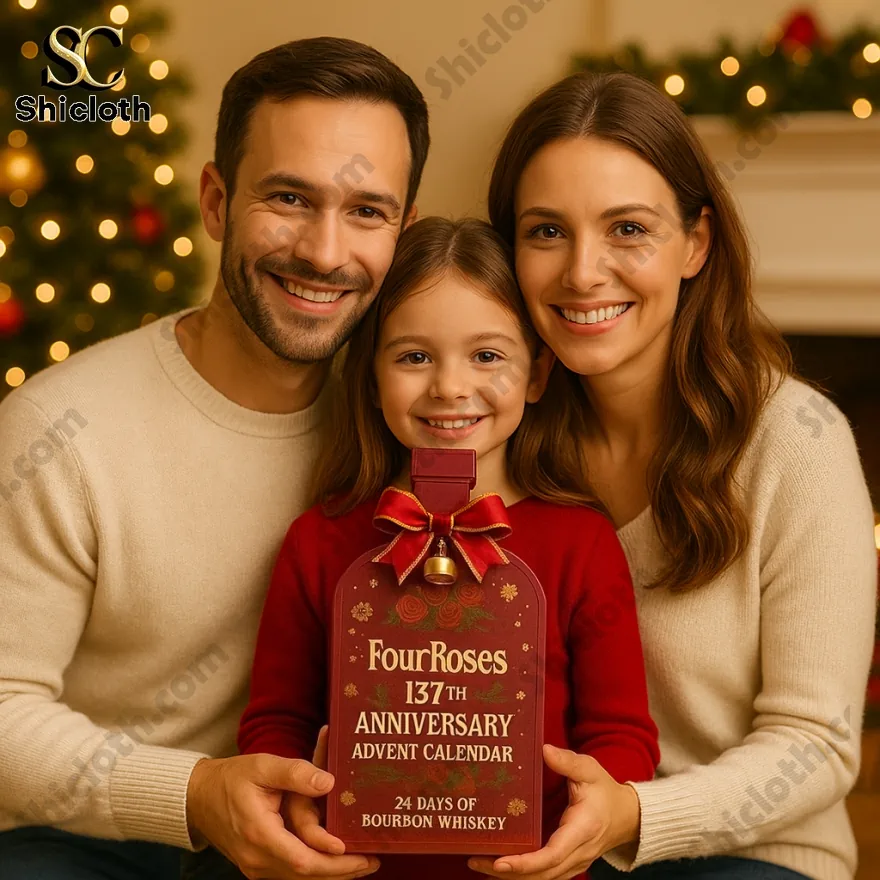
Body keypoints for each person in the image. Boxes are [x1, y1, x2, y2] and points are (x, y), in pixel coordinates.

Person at [0, 36, 428, 880]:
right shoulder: (62, 430)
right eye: (289, 198)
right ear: (216, 200)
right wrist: (193, 794)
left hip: (327, 837)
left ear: (404, 231)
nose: (324, 251)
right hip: (85, 841)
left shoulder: (412, 423)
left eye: (367, 211)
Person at [466, 71, 878, 880]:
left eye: (628, 229)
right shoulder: (493, 434)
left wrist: (634, 816)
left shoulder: (796, 443)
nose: (583, 272)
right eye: (546, 231)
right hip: (534, 857)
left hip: (748, 858)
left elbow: (819, 745)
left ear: (697, 242)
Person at [231, 216, 661, 880]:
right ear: (372, 377)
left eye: (487, 356)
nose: (450, 388)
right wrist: (294, 803)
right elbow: (277, 723)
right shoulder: (319, 542)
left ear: (538, 374)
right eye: (414, 356)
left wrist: (599, 812)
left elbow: (622, 735)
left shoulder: (582, 543)